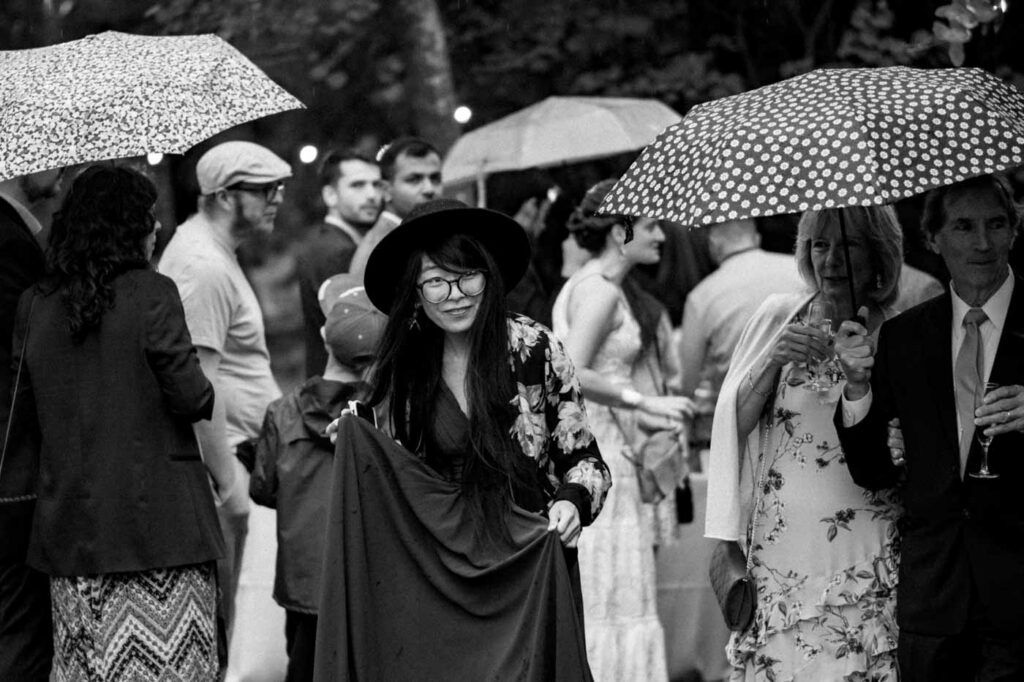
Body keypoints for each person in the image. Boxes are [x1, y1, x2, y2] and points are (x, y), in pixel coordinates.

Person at [315, 198, 611, 680]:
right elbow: (380, 449)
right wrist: (352, 432)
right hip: (438, 574)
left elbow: (587, 461)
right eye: (435, 281)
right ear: (414, 290)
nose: (455, 294)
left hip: (525, 560)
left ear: (489, 276)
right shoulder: (403, 364)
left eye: (468, 275)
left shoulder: (535, 348)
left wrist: (573, 503)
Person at [5, 165, 223, 680]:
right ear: (130, 227)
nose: (157, 230)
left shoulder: (34, 305)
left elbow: (25, 411)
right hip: (161, 534)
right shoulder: (152, 292)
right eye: (150, 219)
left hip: (71, 537)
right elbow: (191, 397)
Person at [836, 174, 1024, 681]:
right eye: (964, 226)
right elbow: (873, 470)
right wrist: (856, 386)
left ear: (1015, 229)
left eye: (997, 224)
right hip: (934, 597)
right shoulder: (903, 337)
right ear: (932, 238)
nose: (983, 242)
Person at [705, 204, 904, 680]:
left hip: (864, 544)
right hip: (782, 548)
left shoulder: (899, 331)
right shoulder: (780, 314)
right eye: (820, 244)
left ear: (878, 255)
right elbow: (732, 427)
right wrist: (773, 359)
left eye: (849, 245)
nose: (831, 260)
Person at [551, 179, 691, 682]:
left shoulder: (588, 284)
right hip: (604, 452)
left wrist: (646, 412)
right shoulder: (602, 293)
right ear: (618, 230)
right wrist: (641, 400)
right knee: (615, 592)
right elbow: (574, 370)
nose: (661, 235)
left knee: (609, 589)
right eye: (650, 224)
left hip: (608, 442)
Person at [158, 140, 291, 653]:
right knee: (236, 637)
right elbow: (196, 383)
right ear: (222, 196)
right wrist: (229, 484)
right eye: (264, 189)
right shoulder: (202, 265)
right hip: (231, 461)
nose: (277, 198)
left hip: (245, 457)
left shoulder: (213, 254)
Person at [251, 273, 386, 682]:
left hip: (304, 581)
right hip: (368, 578)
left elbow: (263, 489)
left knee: (305, 670)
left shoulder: (282, 412)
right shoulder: (384, 415)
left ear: (325, 337)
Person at [0, 167, 63, 682]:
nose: (61, 169)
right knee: (21, 628)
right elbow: (24, 352)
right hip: (11, 464)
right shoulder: (8, 241)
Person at [678, 218, 803, 402]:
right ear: (757, 238)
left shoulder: (702, 296)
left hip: (738, 410)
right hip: (802, 401)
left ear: (713, 243)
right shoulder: (800, 270)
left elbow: (687, 381)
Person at [295, 150, 384, 377]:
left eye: (377, 184)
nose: (372, 195)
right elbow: (355, 332)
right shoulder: (339, 251)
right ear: (330, 195)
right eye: (358, 185)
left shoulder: (324, 242)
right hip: (342, 386)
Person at [346, 136, 442, 278]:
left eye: (435, 178)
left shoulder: (414, 236)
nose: (429, 189)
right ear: (385, 190)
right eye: (414, 180)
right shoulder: (379, 251)